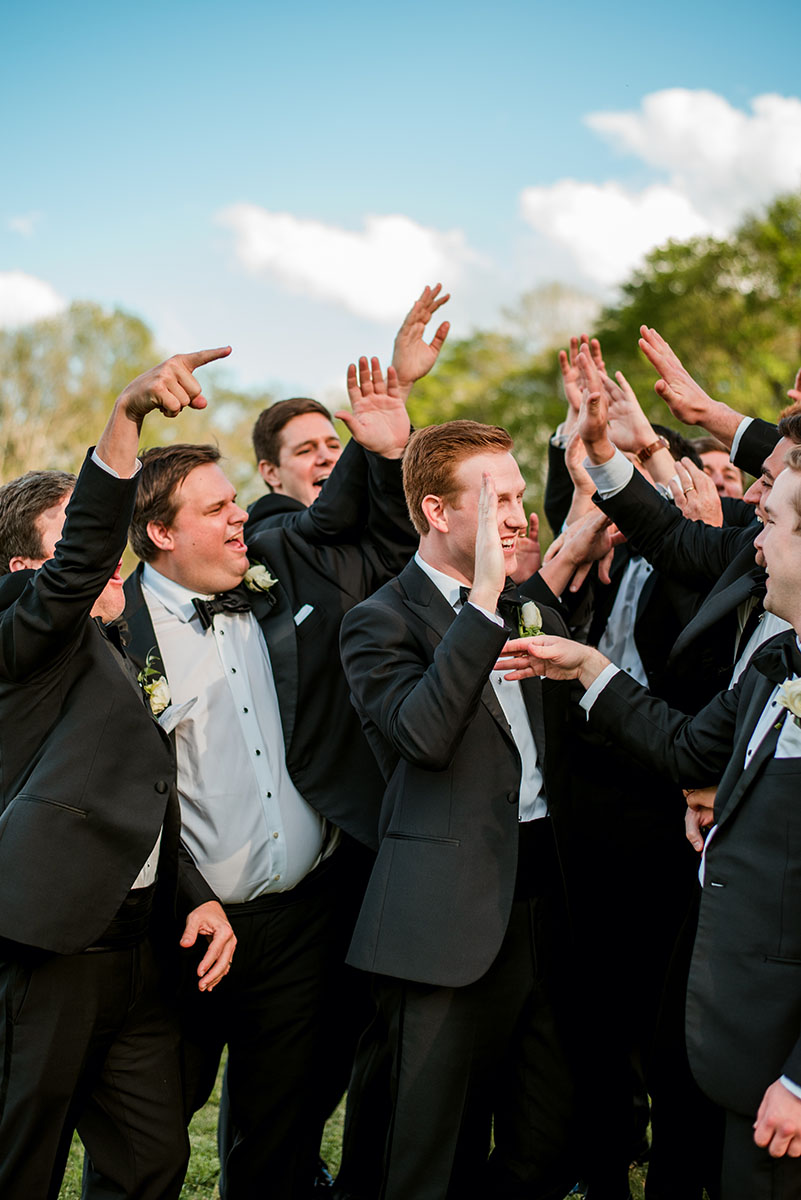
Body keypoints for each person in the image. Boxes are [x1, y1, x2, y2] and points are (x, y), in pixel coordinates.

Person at [122, 356, 419, 1199]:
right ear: (161, 535)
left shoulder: (276, 566)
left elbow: (381, 546)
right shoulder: (118, 630)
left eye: (234, 504)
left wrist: (383, 452)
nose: (237, 521)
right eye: (216, 511)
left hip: (298, 919)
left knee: (277, 1138)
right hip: (179, 931)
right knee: (147, 1142)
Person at [500, 440, 801, 1200]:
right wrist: (588, 667)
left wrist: (799, 1083)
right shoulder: (774, 663)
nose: (747, 541)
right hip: (734, 1010)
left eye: (765, 523)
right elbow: (689, 746)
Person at [338, 419, 602, 1200]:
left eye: (521, 496)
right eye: (498, 502)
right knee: (426, 1152)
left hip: (545, 903)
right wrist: (481, 602)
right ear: (436, 511)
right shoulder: (378, 621)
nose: (519, 515)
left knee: (550, 1138)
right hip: (442, 924)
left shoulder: (532, 605)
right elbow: (422, 734)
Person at [0, 347, 236, 1200]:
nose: (107, 560)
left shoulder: (121, 642)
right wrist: (127, 419)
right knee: (19, 1161)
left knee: (151, 1161)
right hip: (48, 953)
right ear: (30, 574)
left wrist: (196, 890)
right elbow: (74, 573)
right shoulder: (23, 642)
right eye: (77, 547)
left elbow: (140, 793)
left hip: (141, 951)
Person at [247, 283, 450, 530]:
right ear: (271, 473)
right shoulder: (262, 530)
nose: (326, 458)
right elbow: (327, 519)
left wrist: (401, 383)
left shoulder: (365, 528)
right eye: (305, 450)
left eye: (333, 445)